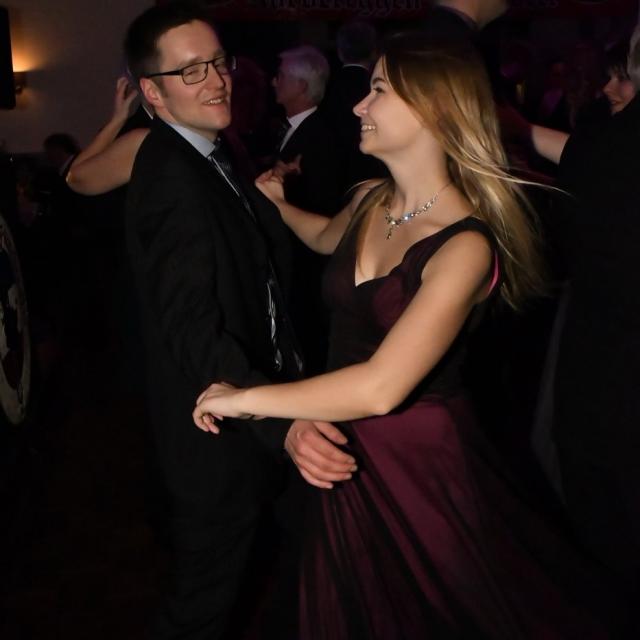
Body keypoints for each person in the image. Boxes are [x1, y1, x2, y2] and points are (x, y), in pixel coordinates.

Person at [193, 34, 618, 638]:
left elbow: (380, 387)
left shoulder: (466, 246)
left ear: (433, 107)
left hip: (417, 463)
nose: (358, 105)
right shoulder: (371, 199)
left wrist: (243, 398)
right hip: (340, 442)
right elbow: (325, 240)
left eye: (378, 90)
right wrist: (277, 204)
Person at [121, 4, 356, 639]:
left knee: (301, 561)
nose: (217, 80)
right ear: (153, 93)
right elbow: (190, 323)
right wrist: (279, 423)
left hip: (259, 407)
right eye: (190, 71)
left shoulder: (212, 152)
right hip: (219, 438)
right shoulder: (170, 173)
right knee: (201, 608)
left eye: (218, 63)